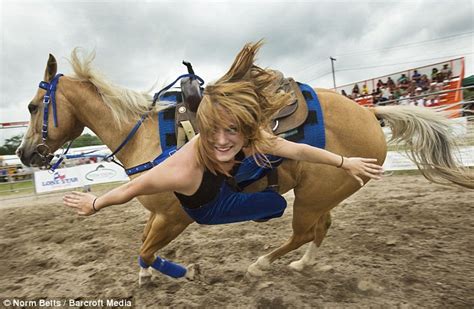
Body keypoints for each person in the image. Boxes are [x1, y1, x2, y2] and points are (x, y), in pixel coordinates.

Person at [63, 42, 384, 225]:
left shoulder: (246, 138)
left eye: (233, 130)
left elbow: (298, 151)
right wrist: (95, 204)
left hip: (226, 181)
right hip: (209, 208)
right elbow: (129, 190)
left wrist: (345, 163)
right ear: (205, 130)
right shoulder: (182, 168)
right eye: (216, 131)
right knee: (276, 205)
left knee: (271, 153)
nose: (224, 140)